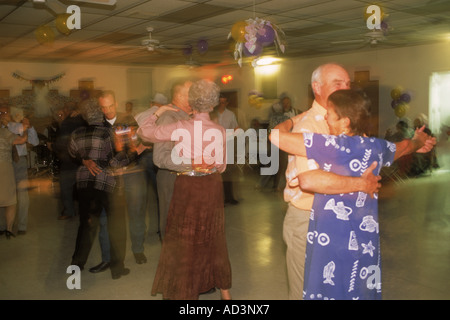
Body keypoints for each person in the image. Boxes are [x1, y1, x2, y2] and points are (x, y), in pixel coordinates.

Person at [270, 89, 435, 299]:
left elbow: (276, 136)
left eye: (330, 113)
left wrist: (295, 119)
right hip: (365, 241)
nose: (325, 117)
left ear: (345, 122)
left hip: (330, 238)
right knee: (360, 290)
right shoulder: (377, 147)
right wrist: (420, 140)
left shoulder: (329, 146)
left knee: (329, 288)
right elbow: (405, 146)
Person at [138, 79, 232, 300]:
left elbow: (144, 132)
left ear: (192, 102)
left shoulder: (181, 127)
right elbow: (222, 165)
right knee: (213, 236)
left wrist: (158, 111)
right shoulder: (218, 129)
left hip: (188, 186)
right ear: (213, 104)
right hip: (212, 187)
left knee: (184, 239)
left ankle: (185, 294)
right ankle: (225, 294)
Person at [69, 98, 136, 279]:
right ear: (101, 112)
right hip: (107, 183)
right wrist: (126, 157)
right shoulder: (109, 132)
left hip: (84, 183)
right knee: (116, 226)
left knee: (86, 225)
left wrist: (85, 160)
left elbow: (72, 154)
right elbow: (121, 156)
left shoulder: (77, 133)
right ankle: (117, 269)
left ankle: (76, 265)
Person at [97, 90, 150, 265]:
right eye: (104, 107)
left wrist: (129, 160)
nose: (108, 110)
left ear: (116, 104)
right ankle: (112, 256)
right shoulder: (97, 124)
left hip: (132, 173)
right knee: (108, 218)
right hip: (110, 176)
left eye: (111, 106)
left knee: (136, 213)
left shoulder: (127, 120)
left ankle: (138, 250)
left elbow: (138, 145)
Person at [151, 80, 193, 238]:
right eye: (193, 93)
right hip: (172, 177)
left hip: (186, 177)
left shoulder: (188, 117)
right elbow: (160, 157)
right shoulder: (169, 118)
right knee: (173, 227)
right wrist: (192, 164)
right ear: (180, 96)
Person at [0, 104, 39, 235]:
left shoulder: (18, 126)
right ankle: (4, 226)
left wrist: (29, 127)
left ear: (10, 114)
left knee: (22, 192)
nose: (4, 115)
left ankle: (22, 225)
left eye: (6, 112)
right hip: (3, 163)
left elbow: (35, 142)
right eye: (1, 113)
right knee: (3, 193)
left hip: (18, 161)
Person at [54, 102, 87, 220]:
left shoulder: (67, 123)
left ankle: (69, 211)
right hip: (84, 160)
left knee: (65, 187)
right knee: (84, 188)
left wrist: (53, 146)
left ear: (66, 109)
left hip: (70, 161)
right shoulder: (84, 119)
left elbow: (61, 143)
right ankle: (86, 213)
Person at [0, 113, 29, 239]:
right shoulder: (4, 133)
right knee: (10, 200)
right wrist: (26, 130)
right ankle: (9, 229)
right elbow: (22, 140)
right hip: (4, 166)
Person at [216, 94, 239, 205]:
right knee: (216, 174)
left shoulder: (231, 114)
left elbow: (236, 128)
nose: (222, 104)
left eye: (224, 102)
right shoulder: (211, 114)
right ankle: (219, 199)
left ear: (227, 103)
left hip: (228, 145)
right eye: (220, 102)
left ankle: (229, 197)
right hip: (214, 146)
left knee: (228, 173)